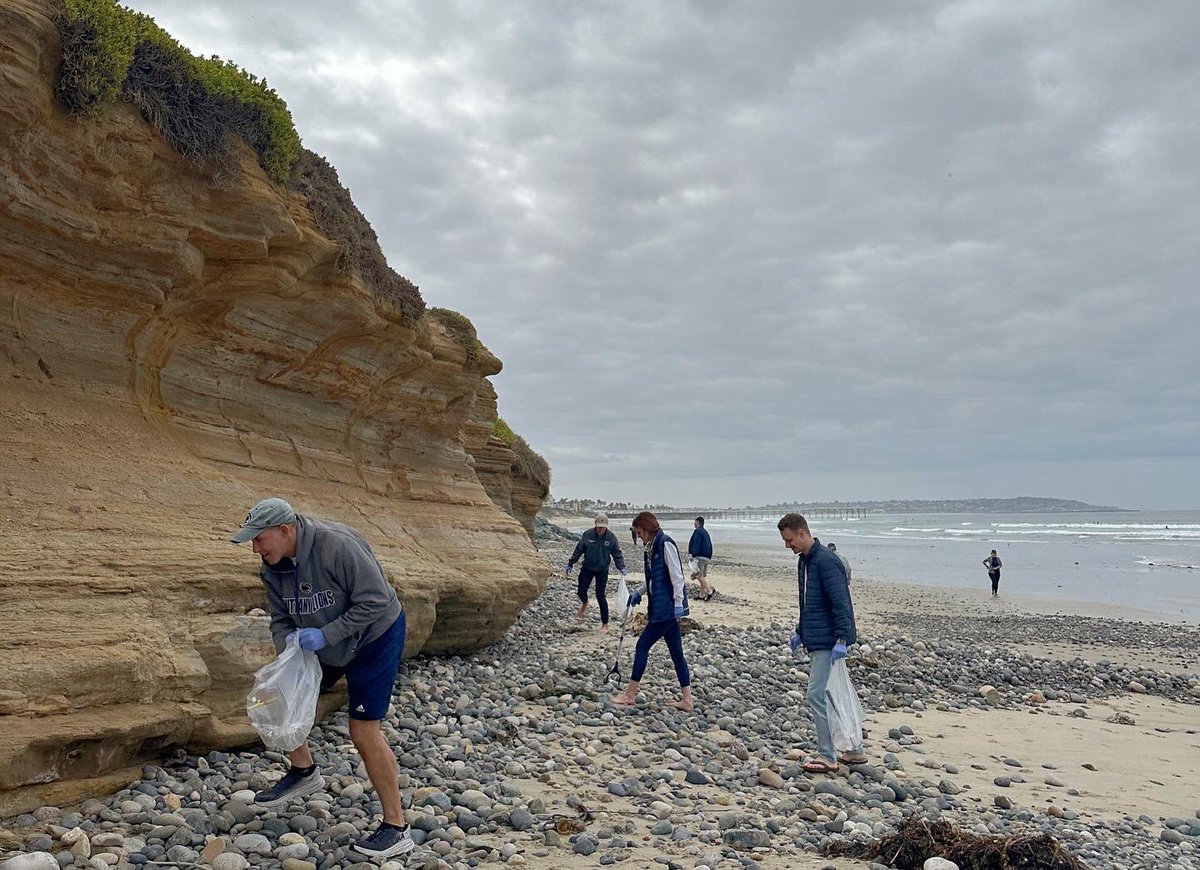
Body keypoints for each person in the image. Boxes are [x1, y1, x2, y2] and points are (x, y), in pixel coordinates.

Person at [230, 498, 414, 859]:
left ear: (285, 531)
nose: (255, 548)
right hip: (323, 638)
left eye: (259, 539)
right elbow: (281, 618)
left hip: (373, 637)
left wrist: (326, 635)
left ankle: (396, 828)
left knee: (363, 731)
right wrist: (289, 653)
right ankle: (303, 770)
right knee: (273, 695)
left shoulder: (337, 545)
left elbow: (375, 601)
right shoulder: (272, 566)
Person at [777, 512, 866, 772]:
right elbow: (809, 602)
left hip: (829, 640)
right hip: (816, 636)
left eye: (790, 540)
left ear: (803, 533)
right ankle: (855, 751)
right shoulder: (805, 561)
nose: (788, 545)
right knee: (835, 694)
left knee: (816, 694)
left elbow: (841, 603)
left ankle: (828, 756)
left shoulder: (827, 562)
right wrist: (800, 630)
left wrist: (843, 639)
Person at [610, 511, 694, 711]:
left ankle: (630, 694)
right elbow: (653, 578)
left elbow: (677, 576)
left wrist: (678, 604)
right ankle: (687, 700)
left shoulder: (665, 544)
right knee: (677, 654)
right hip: (661, 608)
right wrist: (639, 592)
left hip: (665, 610)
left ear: (647, 528)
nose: (639, 537)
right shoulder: (651, 547)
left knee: (642, 646)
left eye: (639, 533)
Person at [565, 513, 628, 633]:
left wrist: (622, 567)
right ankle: (585, 603)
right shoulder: (587, 534)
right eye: (599, 527)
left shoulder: (611, 538)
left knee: (600, 596)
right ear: (595, 525)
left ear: (606, 526)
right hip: (587, 567)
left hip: (602, 570)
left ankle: (605, 624)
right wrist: (571, 563)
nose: (600, 529)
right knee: (581, 591)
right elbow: (579, 549)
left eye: (603, 527)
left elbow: (617, 554)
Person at [687, 516, 716, 600]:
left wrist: (693, 554)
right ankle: (701, 595)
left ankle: (710, 591)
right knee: (702, 576)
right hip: (707, 556)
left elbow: (696, 543)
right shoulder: (705, 532)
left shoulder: (698, 532)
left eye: (695, 522)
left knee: (698, 575)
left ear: (698, 522)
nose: (694, 523)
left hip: (700, 556)